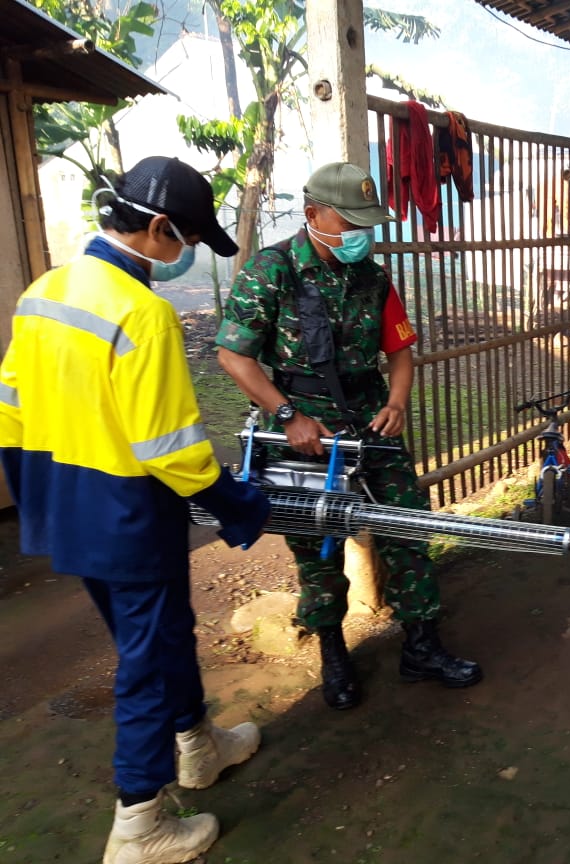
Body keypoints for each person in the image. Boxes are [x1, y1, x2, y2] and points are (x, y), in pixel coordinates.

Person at [0, 156, 271, 864]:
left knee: (160, 632)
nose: (181, 255)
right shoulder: (141, 313)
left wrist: (39, 505)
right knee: (146, 661)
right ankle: (140, 825)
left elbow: (12, 412)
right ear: (155, 227)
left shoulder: (43, 292)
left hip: (65, 502)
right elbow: (172, 448)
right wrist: (236, 505)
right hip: (128, 510)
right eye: (183, 239)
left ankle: (197, 747)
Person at [215, 161, 481, 712]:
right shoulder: (273, 271)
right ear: (312, 214)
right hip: (302, 433)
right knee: (317, 549)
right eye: (350, 222)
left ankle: (422, 647)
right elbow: (233, 355)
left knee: (408, 529)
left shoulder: (373, 278)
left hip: (370, 424)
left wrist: (397, 402)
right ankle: (333, 653)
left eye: (367, 223)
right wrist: (288, 416)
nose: (362, 235)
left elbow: (400, 351)